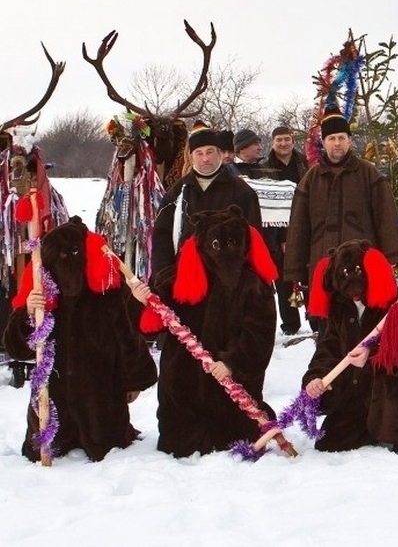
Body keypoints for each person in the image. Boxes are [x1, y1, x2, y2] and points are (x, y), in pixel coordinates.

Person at [3, 217, 157, 462]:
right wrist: (27, 313)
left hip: (101, 400)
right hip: (53, 401)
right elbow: (18, 348)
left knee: (107, 447)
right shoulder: (43, 294)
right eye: (62, 257)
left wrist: (134, 380)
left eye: (74, 254)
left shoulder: (106, 288)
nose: (69, 262)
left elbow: (126, 335)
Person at [141, 206, 279, 457]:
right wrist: (144, 300)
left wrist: (232, 362)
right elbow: (157, 314)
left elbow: (259, 334)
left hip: (230, 392)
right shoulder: (180, 277)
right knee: (181, 440)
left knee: (235, 433)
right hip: (184, 390)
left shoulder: (253, 286)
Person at [302, 241, 398, 453]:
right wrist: (315, 378)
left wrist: (374, 352)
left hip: (394, 386)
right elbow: (330, 348)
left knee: (390, 382)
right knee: (330, 442)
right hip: (355, 388)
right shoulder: (340, 308)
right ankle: (367, 425)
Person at [284, 108, 398, 304]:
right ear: (324, 142)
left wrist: (391, 257)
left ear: (349, 140)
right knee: (329, 324)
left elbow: (386, 216)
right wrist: (295, 269)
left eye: (342, 137)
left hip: (362, 264)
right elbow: (299, 227)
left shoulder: (368, 173)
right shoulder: (311, 179)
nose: (337, 143)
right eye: (331, 138)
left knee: (364, 322)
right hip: (323, 265)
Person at [151, 122, 263, 279]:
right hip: (186, 278)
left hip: (228, 281)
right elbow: (162, 236)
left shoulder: (241, 191)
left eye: (210, 152)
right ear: (191, 157)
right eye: (199, 153)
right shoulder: (177, 192)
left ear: (219, 153)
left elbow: (254, 238)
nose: (205, 158)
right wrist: (164, 274)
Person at [261, 125, 309, 335]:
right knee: (283, 280)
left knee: (309, 276)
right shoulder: (265, 168)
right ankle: (290, 324)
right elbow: (268, 209)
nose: (283, 144)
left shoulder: (305, 164)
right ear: (272, 143)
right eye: (279, 140)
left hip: (306, 227)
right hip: (278, 232)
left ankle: (315, 320)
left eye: (286, 139)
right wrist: (281, 238)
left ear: (292, 141)